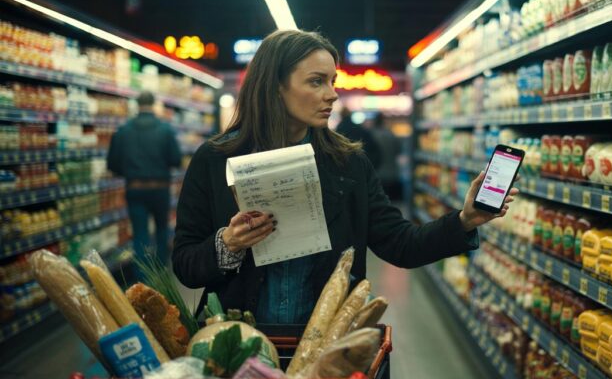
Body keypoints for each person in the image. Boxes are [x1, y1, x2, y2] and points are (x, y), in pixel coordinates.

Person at [172, 30, 518, 322]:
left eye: (332, 81)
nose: (332, 94)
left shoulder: (348, 164)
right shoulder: (216, 160)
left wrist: (464, 220)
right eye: (316, 81)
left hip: (324, 344)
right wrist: (228, 243)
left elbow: (401, 244)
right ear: (276, 86)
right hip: (237, 340)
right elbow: (186, 264)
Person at [107, 91, 181, 274]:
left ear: (137, 105)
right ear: (153, 104)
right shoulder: (165, 130)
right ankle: (161, 272)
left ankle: (142, 277)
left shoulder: (123, 131)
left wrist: (128, 170)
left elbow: (112, 164)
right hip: (160, 189)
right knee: (162, 230)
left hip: (135, 188)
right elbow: (176, 159)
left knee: (139, 234)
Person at [369, 112, 402, 200]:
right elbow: (398, 151)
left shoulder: (371, 135)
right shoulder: (390, 134)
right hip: (392, 173)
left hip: (377, 174)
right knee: (391, 202)